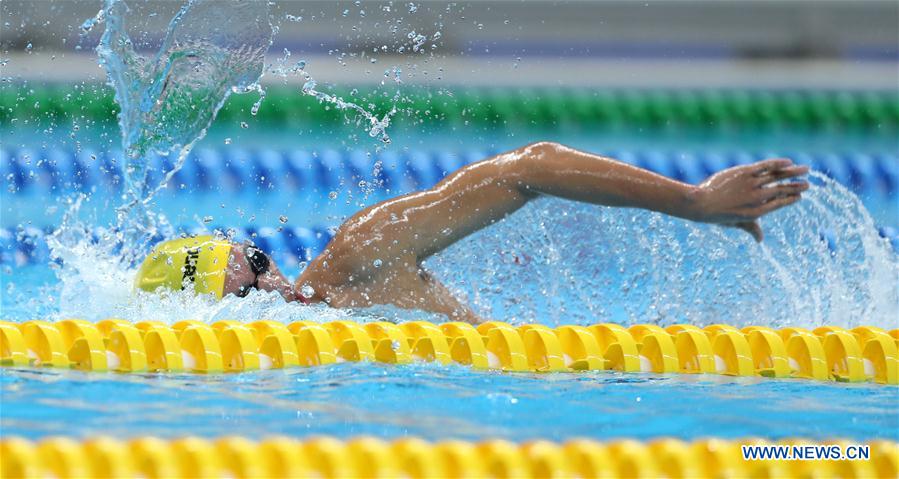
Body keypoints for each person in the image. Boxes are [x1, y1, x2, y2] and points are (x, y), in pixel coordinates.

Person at [135, 142, 809, 324]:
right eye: (248, 297)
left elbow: (530, 167)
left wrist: (691, 200)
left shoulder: (351, 262)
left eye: (256, 259)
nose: (275, 285)